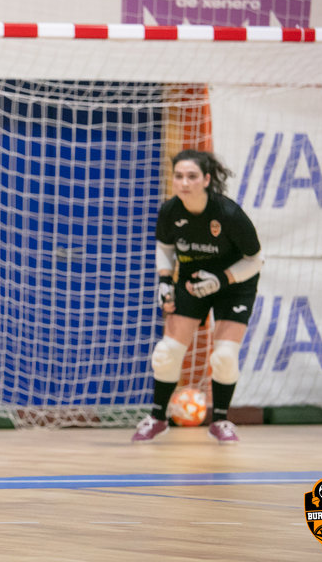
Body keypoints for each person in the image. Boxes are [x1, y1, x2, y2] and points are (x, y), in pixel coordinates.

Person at [132, 149, 264, 445]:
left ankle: (220, 421)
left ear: (206, 179)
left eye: (192, 176)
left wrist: (221, 279)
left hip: (234, 283)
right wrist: (165, 282)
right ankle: (158, 419)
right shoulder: (170, 211)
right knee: (166, 353)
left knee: (225, 357)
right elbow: (165, 248)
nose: (184, 182)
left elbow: (255, 260)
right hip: (192, 281)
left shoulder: (228, 213)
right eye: (179, 176)